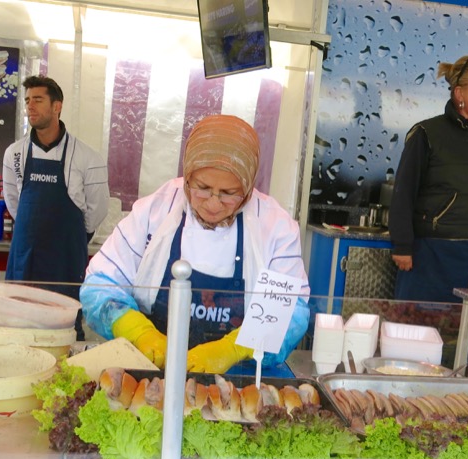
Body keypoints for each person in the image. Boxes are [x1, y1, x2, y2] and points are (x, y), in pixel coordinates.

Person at [80, 114, 310, 374]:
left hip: (239, 379)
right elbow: (100, 287)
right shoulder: (156, 210)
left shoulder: (276, 227)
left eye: (229, 194)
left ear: (248, 187)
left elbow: (291, 311)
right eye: (203, 187)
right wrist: (139, 332)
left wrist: (231, 350)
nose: (213, 203)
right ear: (187, 176)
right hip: (153, 370)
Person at [2, 75, 109, 339]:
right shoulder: (14, 154)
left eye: (38, 100)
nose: (31, 107)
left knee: (64, 334)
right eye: (28, 101)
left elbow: (97, 210)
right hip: (25, 258)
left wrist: (73, 237)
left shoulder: (88, 158)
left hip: (66, 261)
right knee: (19, 332)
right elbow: (14, 203)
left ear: (57, 106)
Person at [389, 55, 468, 303]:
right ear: (459, 93)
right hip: (434, 252)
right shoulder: (427, 133)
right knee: (423, 325)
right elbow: (404, 193)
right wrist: (402, 246)